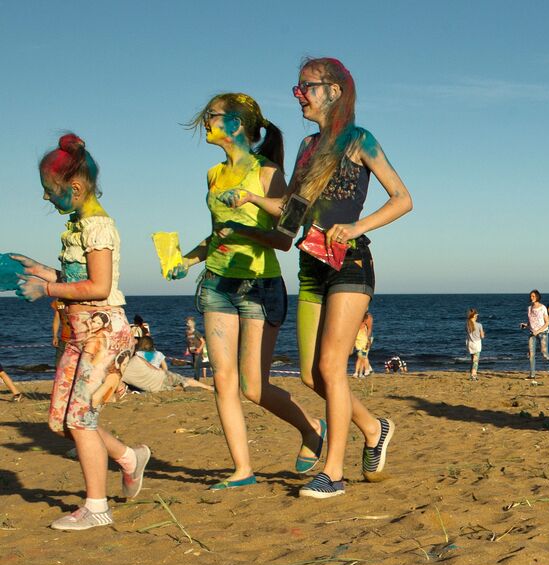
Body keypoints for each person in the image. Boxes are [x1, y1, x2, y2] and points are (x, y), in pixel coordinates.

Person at [226, 57, 411, 498]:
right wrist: (252, 199)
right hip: (311, 267)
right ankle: (374, 427)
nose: (299, 96)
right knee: (313, 375)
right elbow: (293, 211)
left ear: (333, 91)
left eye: (305, 87)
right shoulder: (309, 147)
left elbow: (403, 199)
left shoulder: (359, 140)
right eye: (297, 88)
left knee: (332, 367)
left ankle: (334, 473)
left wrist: (358, 226)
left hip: (349, 262)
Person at [168, 92, 326, 489]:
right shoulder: (212, 175)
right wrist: (186, 260)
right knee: (223, 380)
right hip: (218, 284)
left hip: (259, 284)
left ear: (237, 125)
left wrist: (242, 228)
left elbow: (285, 238)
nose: (207, 123)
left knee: (253, 386)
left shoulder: (268, 172)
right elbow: (216, 235)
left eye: (214, 117)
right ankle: (242, 470)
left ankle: (311, 427)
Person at [9, 135, 151, 530]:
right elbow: (77, 277)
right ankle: (128, 457)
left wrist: (47, 290)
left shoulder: (98, 227)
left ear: (74, 188)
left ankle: (97, 506)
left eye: (49, 191)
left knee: (81, 421)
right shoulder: (77, 225)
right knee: (62, 421)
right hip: (79, 333)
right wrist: (43, 271)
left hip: (103, 332)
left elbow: (99, 287)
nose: (45, 199)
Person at [124, 336, 213, 392]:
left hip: (149, 383)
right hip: (160, 375)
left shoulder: (138, 354)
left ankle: (177, 388)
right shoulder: (158, 354)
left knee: (166, 388)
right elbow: (165, 367)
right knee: (184, 379)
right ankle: (208, 387)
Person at [520, 289, 549, 378]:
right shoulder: (529, 308)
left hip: (543, 333)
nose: (531, 297)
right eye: (530, 296)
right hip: (532, 333)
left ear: (537, 297)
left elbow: (547, 323)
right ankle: (532, 375)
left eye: (533, 296)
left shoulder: (543, 308)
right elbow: (530, 322)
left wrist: (538, 331)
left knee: (544, 353)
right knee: (531, 354)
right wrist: (525, 325)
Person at [184, 316, 209, 380]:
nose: (187, 324)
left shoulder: (196, 332)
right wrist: (187, 349)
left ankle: (196, 379)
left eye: (188, 323)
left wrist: (199, 349)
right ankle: (209, 365)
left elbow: (203, 342)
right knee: (195, 365)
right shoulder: (187, 332)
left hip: (198, 350)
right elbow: (187, 341)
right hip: (192, 350)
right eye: (186, 323)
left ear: (193, 324)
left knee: (196, 365)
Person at [353, 311, 374, 378]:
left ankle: (364, 371)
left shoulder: (368, 319)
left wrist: (368, 340)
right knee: (361, 357)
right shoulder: (358, 324)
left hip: (364, 341)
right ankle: (365, 371)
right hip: (359, 342)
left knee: (362, 357)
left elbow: (369, 329)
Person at [465, 308, 484, 379]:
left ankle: (472, 374)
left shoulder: (467, 325)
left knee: (472, 359)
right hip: (476, 344)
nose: (477, 316)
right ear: (474, 315)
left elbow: (468, 333)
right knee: (475, 361)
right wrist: (482, 333)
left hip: (470, 343)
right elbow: (482, 336)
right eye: (476, 315)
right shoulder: (479, 325)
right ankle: (473, 375)